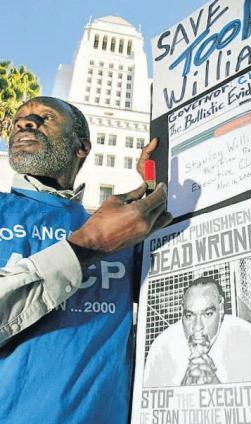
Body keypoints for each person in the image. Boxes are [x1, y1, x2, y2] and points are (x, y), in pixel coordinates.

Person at [0, 96, 172, 423]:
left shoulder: (119, 229)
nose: (24, 122)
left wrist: (158, 183)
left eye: (46, 116)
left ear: (82, 147)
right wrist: (89, 244)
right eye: (20, 118)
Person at [144, 276, 251, 387]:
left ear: (221, 309)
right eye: (189, 315)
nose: (197, 327)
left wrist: (217, 391)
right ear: (181, 312)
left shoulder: (250, 340)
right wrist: (182, 391)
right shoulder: (161, 348)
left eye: (208, 314)